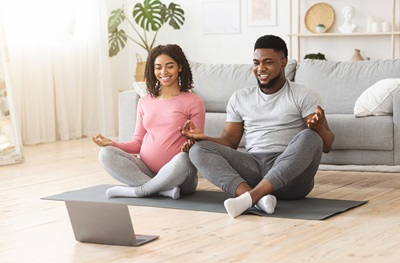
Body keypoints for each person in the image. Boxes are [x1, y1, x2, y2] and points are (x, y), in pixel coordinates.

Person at [180, 35, 334, 218]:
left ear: (283, 62)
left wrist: (319, 128)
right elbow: (229, 141)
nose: (261, 68)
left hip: (291, 178)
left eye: (268, 62)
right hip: (254, 167)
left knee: (310, 137)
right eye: (256, 62)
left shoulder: (303, 94)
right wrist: (204, 138)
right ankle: (258, 199)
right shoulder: (240, 97)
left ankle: (250, 197)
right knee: (197, 149)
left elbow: (327, 145)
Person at [91, 44, 205, 199]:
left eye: (169, 66)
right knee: (105, 154)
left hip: (180, 176)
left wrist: (192, 143)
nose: (163, 72)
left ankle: (139, 191)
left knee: (183, 158)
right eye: (158, 67)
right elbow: (137, 142)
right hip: (147, 171)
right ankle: (160, 190)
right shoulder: (145, 101)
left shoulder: (193, 101)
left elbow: (197, 144)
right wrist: (111, 144)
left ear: (179, 67)